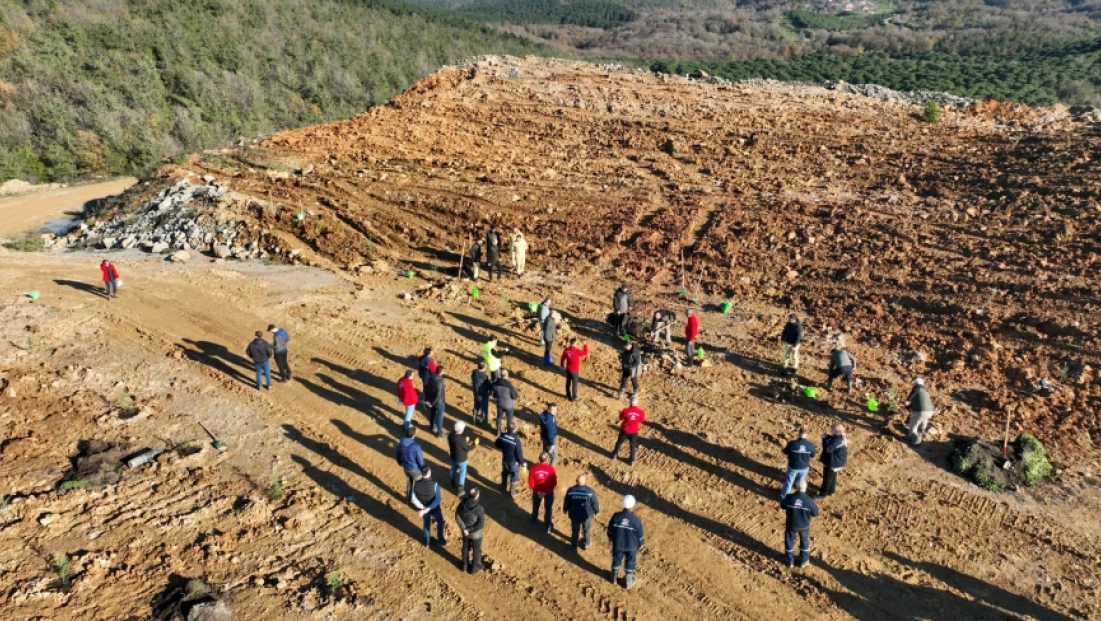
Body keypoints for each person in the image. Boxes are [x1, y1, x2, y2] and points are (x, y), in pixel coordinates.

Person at [608, 495, 644, 589]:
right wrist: (641, 544)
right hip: (631, 547)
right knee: (630, 562)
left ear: (623, 504)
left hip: (618, 544)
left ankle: (613, 578)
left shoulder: (616, 516)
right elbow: (640, 536)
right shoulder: (636, 520)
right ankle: (628, 582)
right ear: (633, 505)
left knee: (616, 559)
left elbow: (610, 531)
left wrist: (611, 539)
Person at [780, 479, 819, 568]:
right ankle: (804, 560)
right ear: (805, 488)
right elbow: (815, 513)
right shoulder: (809, 501)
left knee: (789, 541)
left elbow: (782, 505)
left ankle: (789, 560)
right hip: (804, 526)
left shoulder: (789, 497)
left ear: (796, 488)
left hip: (791, 525)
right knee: (804, 542)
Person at [411, 466, 446, 548]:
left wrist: (423, 508)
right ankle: (441, 540)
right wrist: (428, 508)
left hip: (423, 508)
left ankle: (427, 542)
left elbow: (413, 498)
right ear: (429, 473)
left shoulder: (416, 485)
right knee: (440, 521)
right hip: (434, 508)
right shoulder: (435, 484)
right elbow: (438, 499)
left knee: (426, 524)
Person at [563, 475, 599, 552]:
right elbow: (594, 503)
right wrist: (596, 511)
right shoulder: (590, 491)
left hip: (574, 514)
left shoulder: (571, 490)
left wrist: (565, 509)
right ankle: (587, 543)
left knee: (575, 531)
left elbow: (567, 501)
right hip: (586, 515)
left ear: (576, 481)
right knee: (586, 529)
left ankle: (573, 547)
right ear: (585, 482)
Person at [779, 428, 817, 498]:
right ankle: (799, 496)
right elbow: (813, 455)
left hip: (793, 466)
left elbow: (785, 451)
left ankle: (783, 497)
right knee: (801, 483)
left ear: (799, 434)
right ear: (806, 435)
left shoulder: (792, 444)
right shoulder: (810, 445)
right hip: (804, 467)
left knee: (789, 482)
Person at [455, 487, 485, 574]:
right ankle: (474, 568)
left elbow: (457, 516)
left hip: (465, 533)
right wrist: (470, 530)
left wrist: (464, 529)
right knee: (476, 550)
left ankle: (464, 565)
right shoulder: (480, 509)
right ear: (477, 496)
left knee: (465, 547)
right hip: (476, 534)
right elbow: (480, 524)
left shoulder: (462, 504)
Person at [528, 452, 558, 533]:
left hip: (537, 492)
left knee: (535, 507)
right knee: (548, 509)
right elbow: (554, 483)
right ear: (547, 460)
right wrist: (545, 492)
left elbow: (531, 483)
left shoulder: (533, 468)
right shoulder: (551, 470)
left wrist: (538, 492)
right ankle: (547, 525)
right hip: (548, 492)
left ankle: (533, 522)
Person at [612, 396, 646, 466]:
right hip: (634, 432)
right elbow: (642, 420)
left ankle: (614, 455)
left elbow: (620, 417)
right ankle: (632, 460)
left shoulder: (625, 411)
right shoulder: (641, 412)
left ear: (630, 403)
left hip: (625, 430)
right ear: (637, 403)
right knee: (632, 445)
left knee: (619, 442)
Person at [395, 427, 426, 502]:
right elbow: (420, 460)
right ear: (413, 435)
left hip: (406, 468)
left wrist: (400, 463)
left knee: (409, 483)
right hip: (415, 470)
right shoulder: (416, 446)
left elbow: (397, 455)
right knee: (420, 485)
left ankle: (408, 499)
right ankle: (419, 501)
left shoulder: (400, 444)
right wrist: (424, 469)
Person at [818, 424, 849, 498]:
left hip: (833, 462)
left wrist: (824, 439)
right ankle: (831, 491)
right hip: (839, 461)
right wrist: (828, 436)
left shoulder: (837, 440)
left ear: (836, 431)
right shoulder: (841, 437)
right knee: (833, 476)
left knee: (827, 478)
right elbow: (833, 439)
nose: (831, 431)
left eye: (832, 429)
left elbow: (827, 449)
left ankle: (823, 494)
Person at [495, 423, 524, 495]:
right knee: (514, 476)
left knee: (505, 473)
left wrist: (503, 449)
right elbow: (518, 453)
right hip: (513, 462)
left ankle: (503, 487)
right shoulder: (516, 440)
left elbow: (496, 444)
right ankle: (512, 492)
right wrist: (522, 462)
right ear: (515, 429)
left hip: (505, 459)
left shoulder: (502, 436)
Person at [448, 421, 476, 496]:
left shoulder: (450, 435)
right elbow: (467, 448)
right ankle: (460, 490)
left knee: (453, 469)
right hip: (461, 459)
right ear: (461, 430)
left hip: (453, 456)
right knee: (462, 473)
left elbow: (459, 444)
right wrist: (474, 444)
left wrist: (465, 440)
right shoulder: (461, 440)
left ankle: (452, 484)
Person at [905, 378, 936, 445]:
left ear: (916, 383)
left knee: (913, 425)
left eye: (914, 384)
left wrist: (907, 401)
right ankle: (922, 430)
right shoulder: (925, 391)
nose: (913, 385)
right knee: (924, 419)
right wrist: (908, 408)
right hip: (929, 412)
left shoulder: (917, 388)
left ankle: (913, 439)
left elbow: (911, 396)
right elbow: (918, 403)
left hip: (921, 412)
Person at [560, 337, 589, 402]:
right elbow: (585, 352)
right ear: (575, 343)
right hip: (574, 370)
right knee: (575, 384)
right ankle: (574, 397)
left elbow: (562, 358)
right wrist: (585, 344)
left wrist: (562, 365)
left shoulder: (566, 350)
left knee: (568, 382)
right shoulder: (576, 351)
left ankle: (568, 395)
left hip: (568, 369)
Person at [491, 369, 518, 435]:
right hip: (508, 405)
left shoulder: (495, 384)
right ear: (507, 376)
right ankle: (509, 432)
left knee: (499, 417)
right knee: (509, 419)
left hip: (499, 404)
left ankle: (498, 431)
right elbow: (515, 396)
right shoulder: (509, 385)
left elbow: (494, 395)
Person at [424, 366, 447, 437]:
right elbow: (438, 395)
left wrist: (429, 401)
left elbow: (426, 389)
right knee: (440, 417)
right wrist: (433, 403)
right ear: (441, 372)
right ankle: (440, 433)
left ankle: (431, 427)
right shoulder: (440, 381)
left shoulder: (430, 378)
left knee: (432, 415)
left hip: (431, 400)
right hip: (439, 402)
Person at [471, 362, 490, 427]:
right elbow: (487, 386)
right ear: (483, 368)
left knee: (476, 405)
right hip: (482, 394)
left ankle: (474, 417)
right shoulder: (484, 377)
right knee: (484, 408)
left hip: (475, 392)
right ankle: (484, 423)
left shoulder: (474, 373)